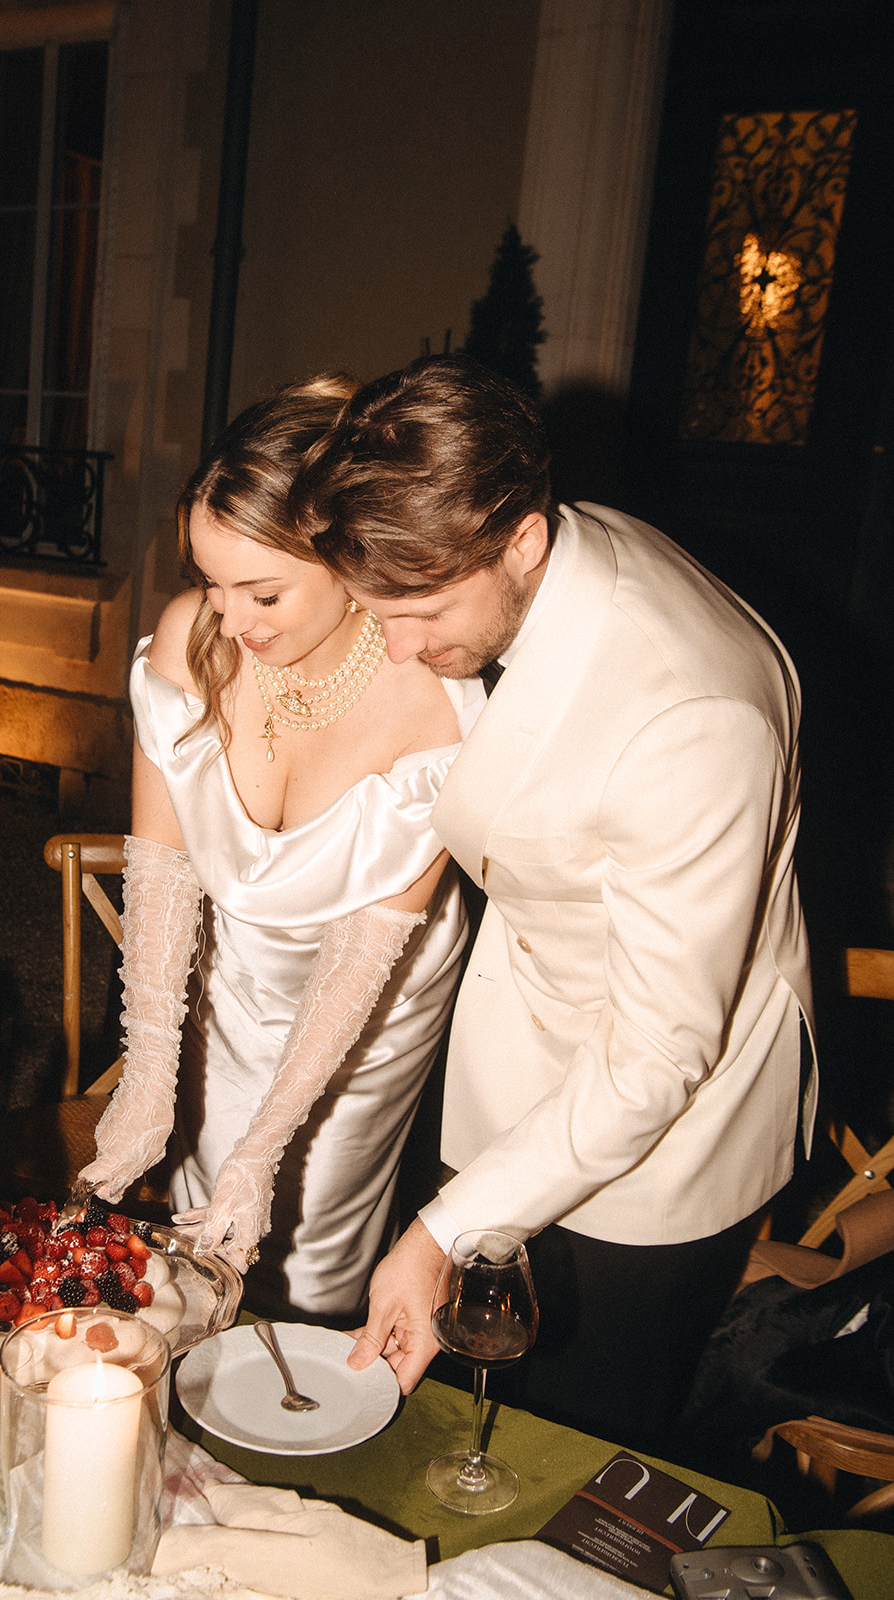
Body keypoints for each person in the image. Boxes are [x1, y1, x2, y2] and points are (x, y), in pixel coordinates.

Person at [295, 353, 816, 1450]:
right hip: (521, 1054)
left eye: (421, 609)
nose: (398, 648)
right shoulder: (536, 550)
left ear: (523, 541)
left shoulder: (690, 717)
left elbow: (659, 1053)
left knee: (567, 1458)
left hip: (659, 1141)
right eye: (377, 610)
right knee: (463, 1425)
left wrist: (440, 1230)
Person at [77, 375, 482, 1319]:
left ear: (346, 559)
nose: (229, 621)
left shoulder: (437, 708)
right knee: (193, 1231)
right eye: (211, 583)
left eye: (262, 592)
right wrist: (148, 1075)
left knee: (302, 1246)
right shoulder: (190, 639)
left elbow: (363, 947)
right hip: (232, 968)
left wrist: (264, 1150)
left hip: (371, 1001)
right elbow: (163, 867)